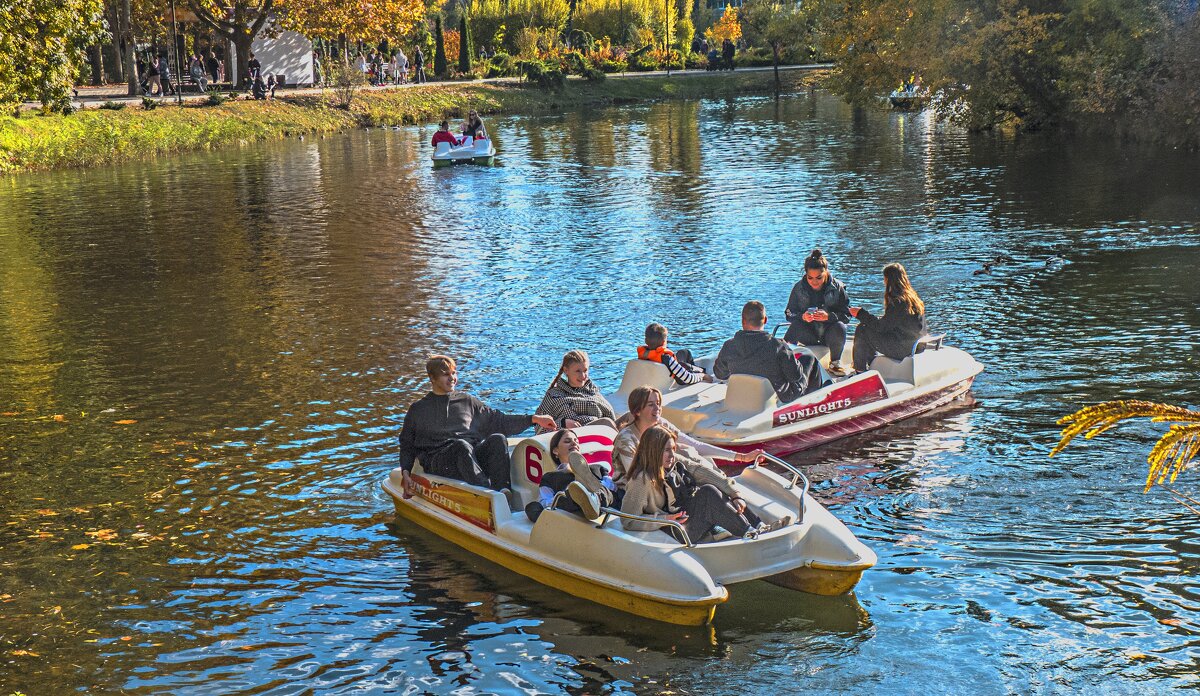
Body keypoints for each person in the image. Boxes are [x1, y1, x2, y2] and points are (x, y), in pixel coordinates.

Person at [398, 355, 557, 494]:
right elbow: (407, 445)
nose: (452, 378)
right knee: (461, 446)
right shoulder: (418, 409)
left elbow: (498, 421)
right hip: (440, 462)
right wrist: (406, 474)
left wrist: (534, 419)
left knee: (497, 439)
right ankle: (487, 493)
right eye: (446, 374)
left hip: (468, 458)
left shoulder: (467, 401)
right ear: (432, 378)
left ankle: (503, 490)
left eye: (454, 373)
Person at [620, 426, 789, 543]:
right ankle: (750, 533)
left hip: (687, 516)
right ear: (653, 451)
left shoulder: (675, 463)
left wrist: (735, 494)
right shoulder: (641, 480)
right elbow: (628, 520)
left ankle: (759, 526)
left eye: (673, 448)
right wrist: (665, 519)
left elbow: (704, 473)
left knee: (713, 487)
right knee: (708, 493)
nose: (672, 454)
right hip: (677, 530)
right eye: (666, 450)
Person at [612, 385, 762, 483]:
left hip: (662, 481)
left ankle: (722, 482)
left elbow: (696, 444)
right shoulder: (627, 439)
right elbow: (637, 476)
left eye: (658, 403)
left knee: (689, 450)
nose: (657, 408)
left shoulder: (661, 424)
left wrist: (740, 457)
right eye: (651, 405)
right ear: (637, 411)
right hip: (635, 492)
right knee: (684, 453)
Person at [713, 301, 826, 403]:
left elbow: (720, 374)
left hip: (743, 395)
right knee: (809, 358)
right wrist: (794, 360)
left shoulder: (729, 345)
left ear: (743, 320)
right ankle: (816, 403)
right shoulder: (777, 346)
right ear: (765, 320)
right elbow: (795, 376)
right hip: (781, 395)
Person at [524, 429, 621, 522]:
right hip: (574, 508)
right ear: (555, 451)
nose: (574, 443)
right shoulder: (550, 477)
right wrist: (567, 493)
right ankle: (583, 493)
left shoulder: (598, 468)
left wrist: (599, 486)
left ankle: (592, 494)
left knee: (608, 491)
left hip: (606, 504)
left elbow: (614, 487)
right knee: (570, 495)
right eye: (567, 441)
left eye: (576, 441)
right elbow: (544, 502)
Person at [849, 263, 928, 373]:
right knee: (869, 327)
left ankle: (859, 369)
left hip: (903, 348)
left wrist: (860, 313)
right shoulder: (912, 298)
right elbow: (892, 322)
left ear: (888, 280)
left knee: (862, 329)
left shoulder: (898, 301)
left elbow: (881, 327)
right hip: (916, 344)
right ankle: (872, 364)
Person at [784, 248, 852, 375]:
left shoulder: (838, 287)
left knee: (840, 327)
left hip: (830, 334)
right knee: (795, 326)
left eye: (819, 278)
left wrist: (829, 317)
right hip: (808, 334)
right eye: (810, 278)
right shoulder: (798, 288)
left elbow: (847, 315)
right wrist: (802, 317)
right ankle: (784, 362)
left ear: (825, 272)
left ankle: (835, 363)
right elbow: (789, 313)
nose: (814, 282)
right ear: (805, 275)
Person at [534, 350, 617, 434]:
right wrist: (563, 423)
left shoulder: (594, 393)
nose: (583, 376)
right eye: (578, 371)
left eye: (585, 371)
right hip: (571, 438)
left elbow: (612, 418)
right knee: (606, 422)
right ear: (566, 370)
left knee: (628, 417)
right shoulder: (553, 395)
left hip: (598, 436)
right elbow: (539, 430)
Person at [637, 323, 711, 386]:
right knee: (686, 359)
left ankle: (688, 365)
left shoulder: (643, 354)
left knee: (684, 352)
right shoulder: (666, 358)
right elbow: (688, 378)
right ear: (663, 342)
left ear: (646, 341)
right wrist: (703, 376)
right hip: (681, 378)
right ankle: (700, 370)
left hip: (665, 370)